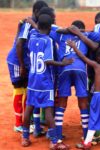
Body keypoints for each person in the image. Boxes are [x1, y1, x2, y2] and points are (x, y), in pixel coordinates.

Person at [22, 14, 73, 150]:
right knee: (49, 110)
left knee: (29, 107)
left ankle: (25, 137)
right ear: (50, 28)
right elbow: (47, 61)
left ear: (38, 25)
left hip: (33, 79)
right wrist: (62, 63)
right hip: (45, 81)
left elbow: (33, 30)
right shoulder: (48, 40)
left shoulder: (32, 37)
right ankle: (54, 141)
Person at [6, 0, 48, 132]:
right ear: (36, 12)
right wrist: (22, 65)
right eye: (42, 12)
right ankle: (18, 123)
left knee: (26, 90)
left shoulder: (33, 24)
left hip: (25, 61)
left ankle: (26, 121)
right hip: (18, 61)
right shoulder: (28, 25)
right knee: (19, 89)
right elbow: (19, 44)